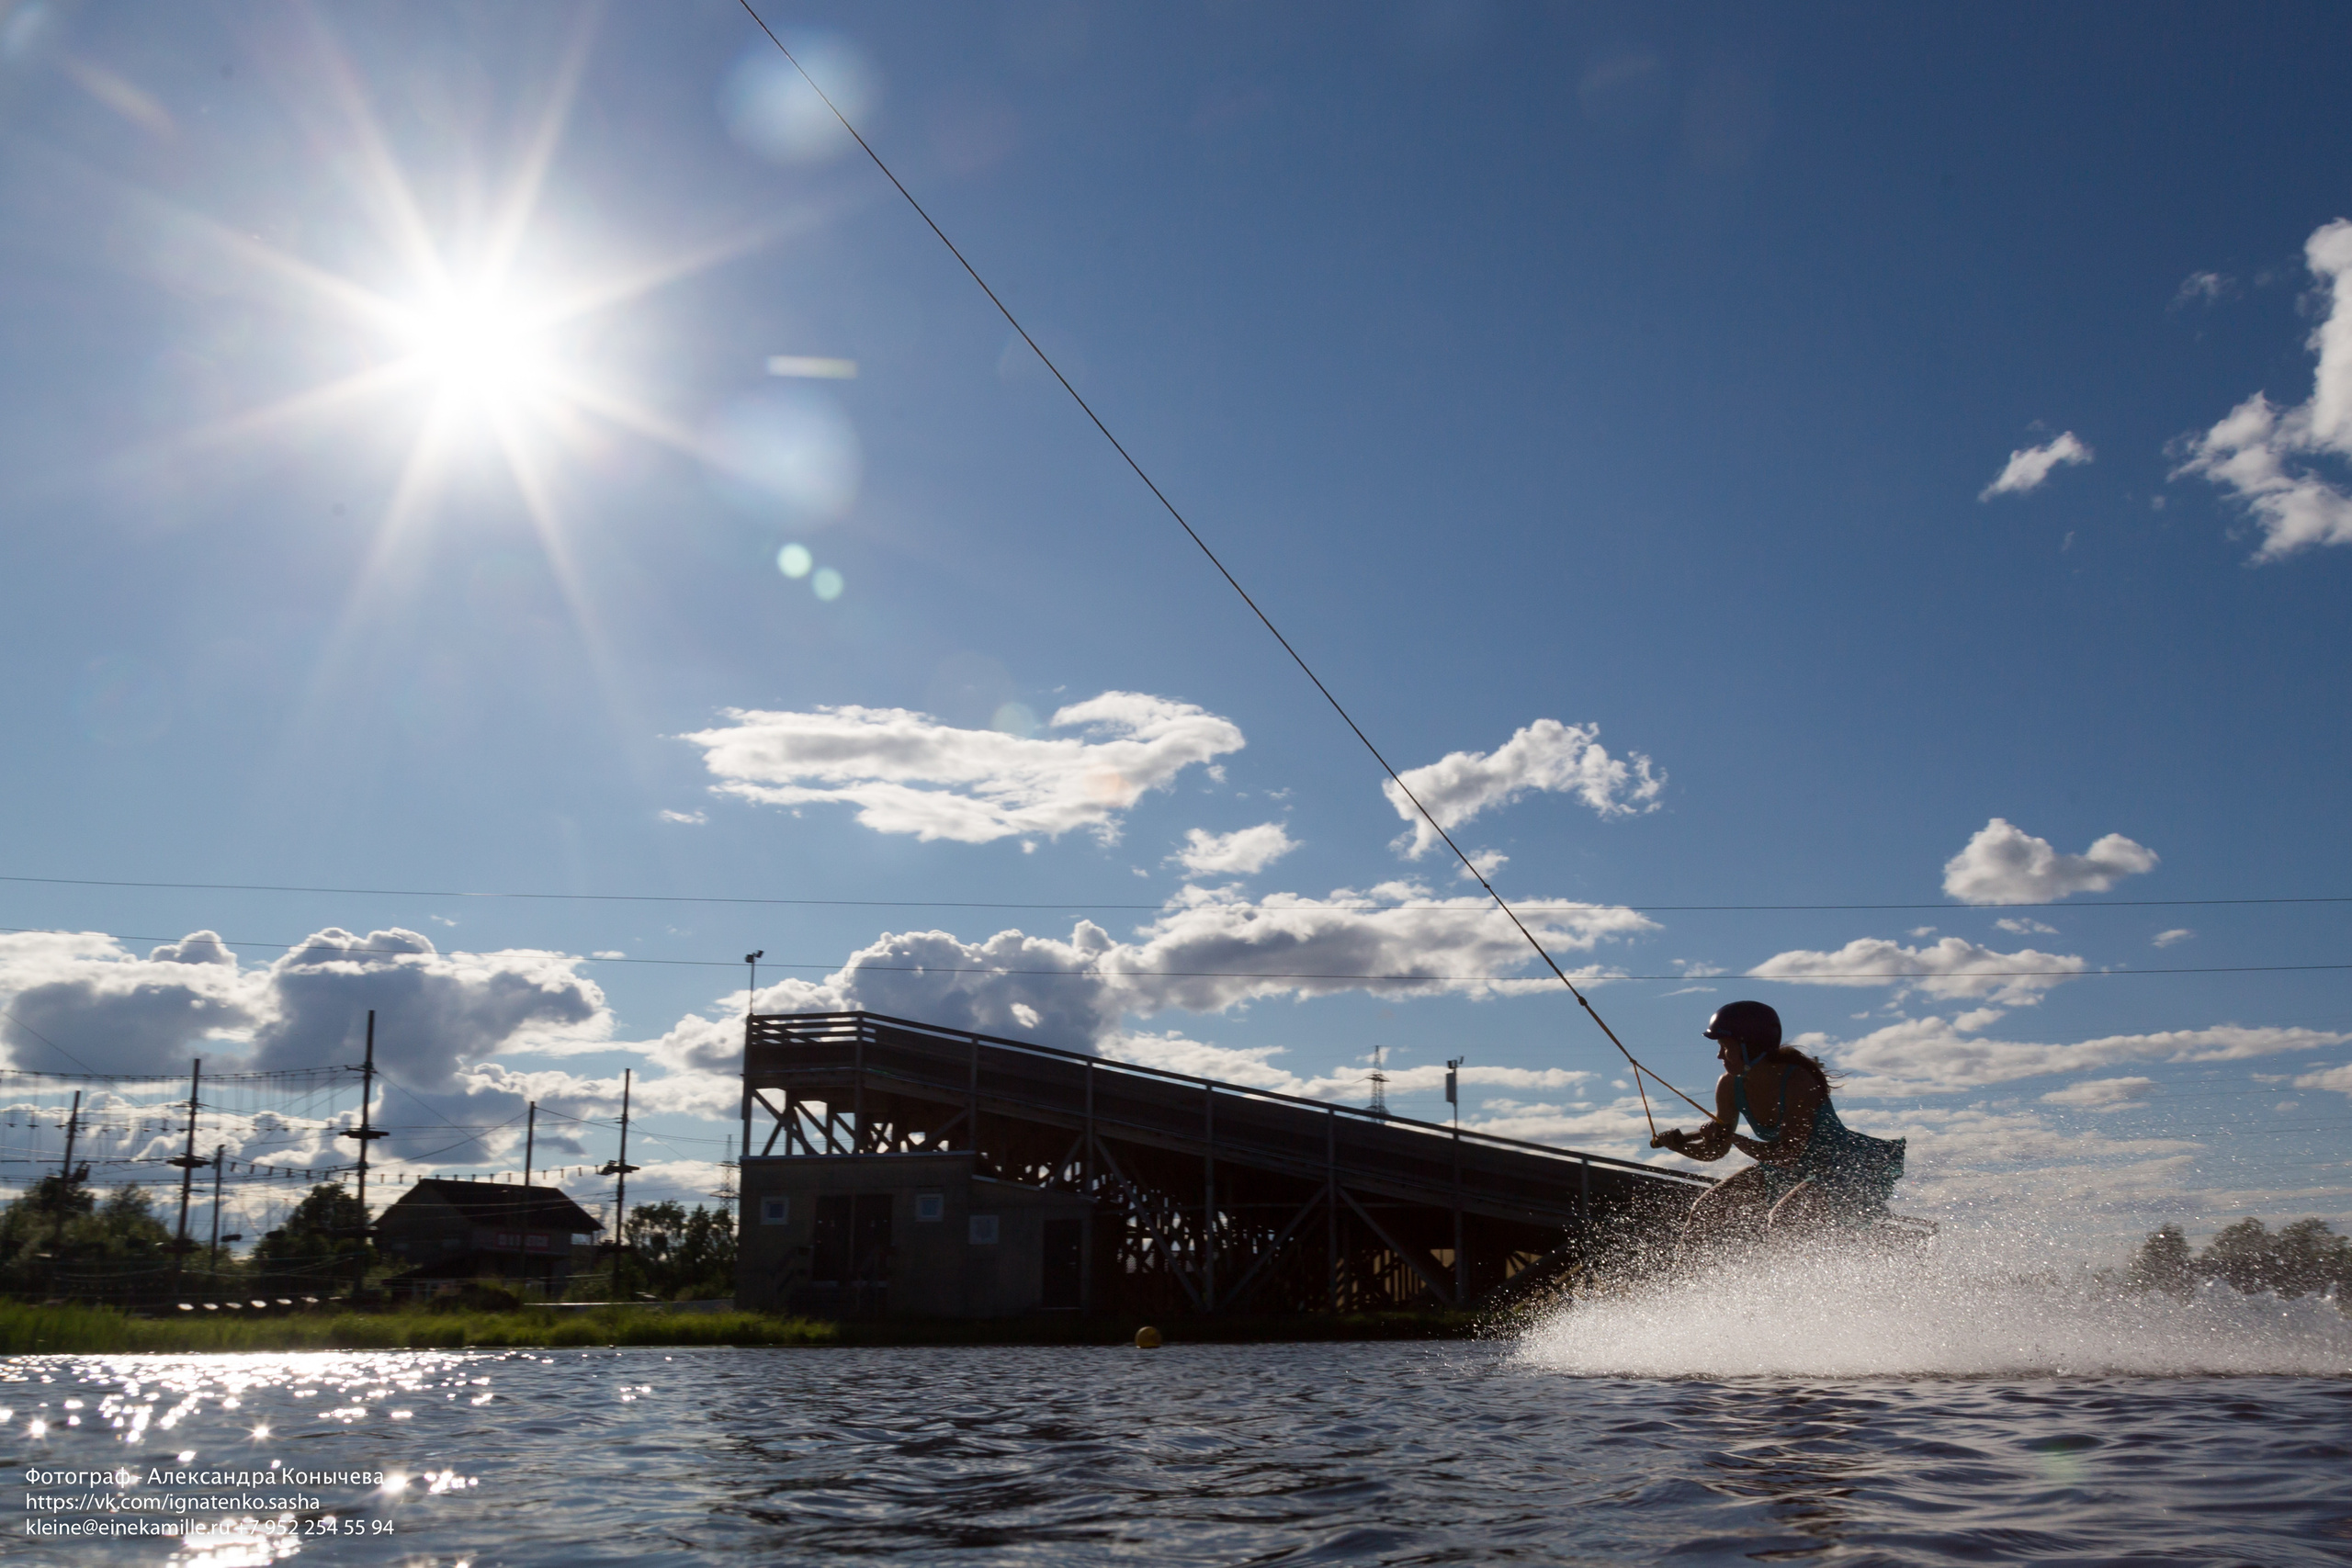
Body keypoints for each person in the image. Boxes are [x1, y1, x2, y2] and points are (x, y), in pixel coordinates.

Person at [1654, 999, 1905, 1247]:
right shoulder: (1729, 1085)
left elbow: (1788, 1153)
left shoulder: (1798, 1081)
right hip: (1787, 1166)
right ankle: (1691, 1283)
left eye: (1725, 1047)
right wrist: (1679, 1147)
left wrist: (1733, 1137)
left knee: (1785, 1218)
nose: (1719, 1055)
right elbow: (1716, 1152)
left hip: (1842, 1168)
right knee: (1707, 1210)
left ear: (1749, 1047)